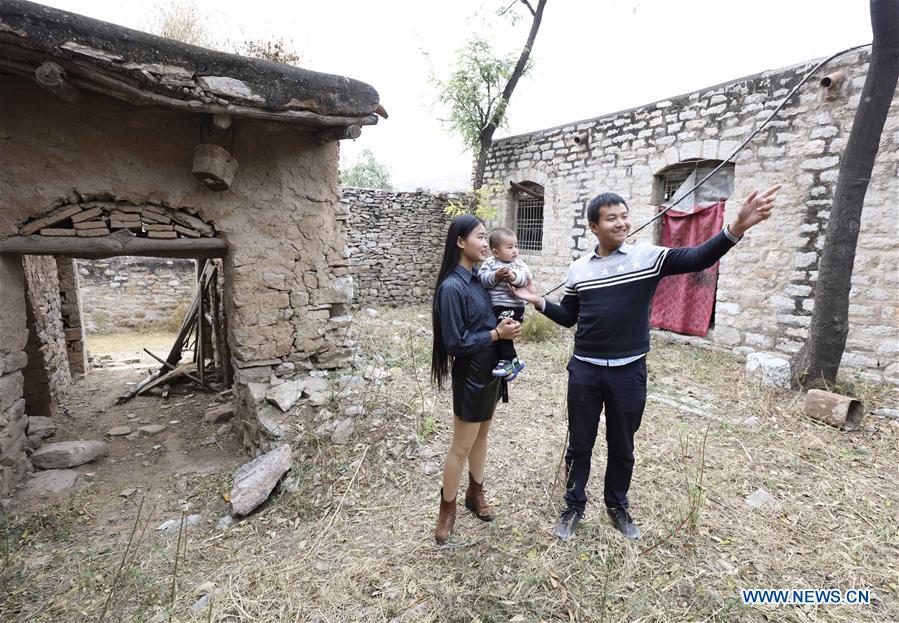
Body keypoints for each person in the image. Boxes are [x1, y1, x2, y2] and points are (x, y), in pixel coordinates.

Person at [512, 185, 782, 541]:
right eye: (612, 219)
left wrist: (736, 227)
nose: (621, 223)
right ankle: (574, 505)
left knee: (623, 443)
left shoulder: (647, 258)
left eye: (624, 216)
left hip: (629, 371)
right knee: (580, 442)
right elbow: (569, 317)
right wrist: (537, 301)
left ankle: (617, 505)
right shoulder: (579, 270)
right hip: (585, 370)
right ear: (594, 226)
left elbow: (698, 257)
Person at [431, 214, 522, 545]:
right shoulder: (452, 287)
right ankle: (447, 509)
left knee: (482, 436)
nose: (486, 243)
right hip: (470, 375)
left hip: (491, 371)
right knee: (461, 445)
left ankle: (475, 493)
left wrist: (506, 330)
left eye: (487, 238)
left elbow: (493, 319)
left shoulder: (479, 280)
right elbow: (455, 343)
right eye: (480, 237)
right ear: (460, 242)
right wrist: (496, 334)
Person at [477, 227, 531, 380]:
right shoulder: (489, 263)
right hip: (494, 307)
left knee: (504, 329)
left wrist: (513, 276)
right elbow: (482, 279)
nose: (514, 250)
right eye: (509, 247)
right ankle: (508, 363)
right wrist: (496, 275)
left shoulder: (518, 265)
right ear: (495, 252)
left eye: (516, 246)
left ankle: (510, 360)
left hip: (513, 307)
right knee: (497, 333)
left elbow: (526, 279)